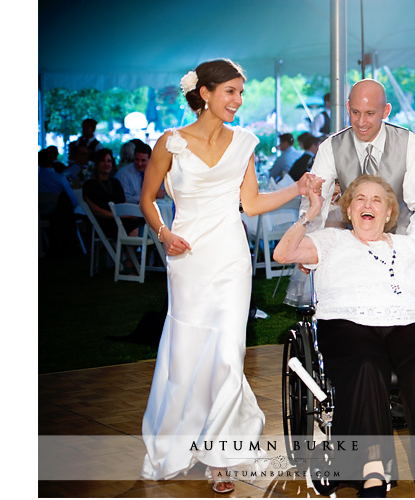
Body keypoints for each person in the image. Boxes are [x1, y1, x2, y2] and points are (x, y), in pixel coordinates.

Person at [138, 58, 322, 493]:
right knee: (186, 352)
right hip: (188, 260)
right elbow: (148, 200)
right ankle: (178, 441)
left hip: (231, 257)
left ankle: (219, 457)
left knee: (227, 352)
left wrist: (297, 189)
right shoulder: (170, 143)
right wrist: (165, 234)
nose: (238, 101)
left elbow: (252, 204)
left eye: (241, 93)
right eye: (230, 92)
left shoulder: (245, 142)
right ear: (205, 93)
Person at [274, 175, 415, 498]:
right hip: (345, 324)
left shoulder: (409, 246)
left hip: (405, 323)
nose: (367, 205)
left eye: (376, 200)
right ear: (349, 209)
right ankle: (372, 469)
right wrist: (310, 212)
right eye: (359, 199)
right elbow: (282, 254)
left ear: (387, 214)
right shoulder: (330, 241)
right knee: (367, 364)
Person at [304, 79, 415, 246]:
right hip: (352, 245)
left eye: (370, 113)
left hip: (401, 241)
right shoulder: (330, 147)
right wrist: (309, 243)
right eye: (355, 112)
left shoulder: (408, 143)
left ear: (385, 111)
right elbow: (315, 199)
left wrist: (413, 246)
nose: (361, 122)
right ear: (347, 108)